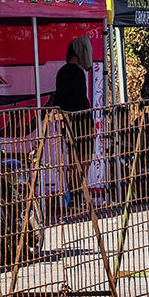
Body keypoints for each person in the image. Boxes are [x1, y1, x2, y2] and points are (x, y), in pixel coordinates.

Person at [54, 35, 94, 206]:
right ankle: (77, 194)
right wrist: (90, 124)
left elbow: (59, 99)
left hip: (67, 121)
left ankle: (74, 195)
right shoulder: (77, 72)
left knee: (72, 160)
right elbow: (81, 100)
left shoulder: (61, 71)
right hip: (81, 122)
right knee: (84, 159)